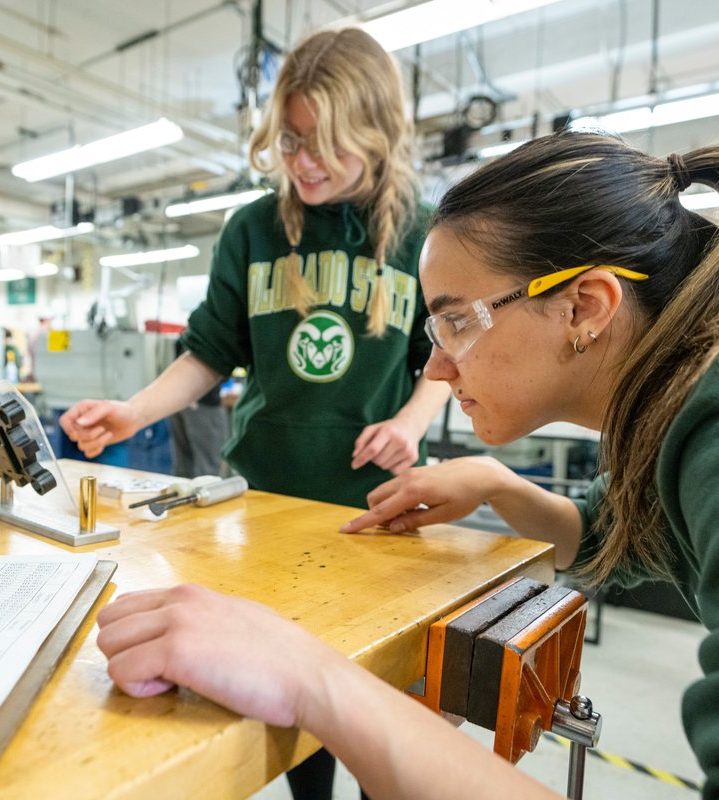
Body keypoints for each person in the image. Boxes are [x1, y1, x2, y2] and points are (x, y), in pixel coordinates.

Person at [95, 132, 719, 800]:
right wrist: (500, 486)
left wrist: (316, 679)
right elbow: (618, 535)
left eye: (456, 323)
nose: (433, 370)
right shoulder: (705, 399)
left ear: (586, 309)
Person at [65, 29, 451, 795]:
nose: (301, 161)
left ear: (375, 136)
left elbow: (443, 359)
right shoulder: (253, 231)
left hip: (375, 511)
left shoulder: (420, 233)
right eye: (290, 140)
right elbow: (209, 352)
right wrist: (133, 413)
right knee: (290, 706)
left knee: (377, 707)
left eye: (323, 144)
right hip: (267, 503)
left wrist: (408, 423)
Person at [167, 336, 228, 478]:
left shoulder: (188, 333)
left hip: (180, 401)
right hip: (201, 403)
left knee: (185, 464)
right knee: (208, 466)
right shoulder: (209, 330)